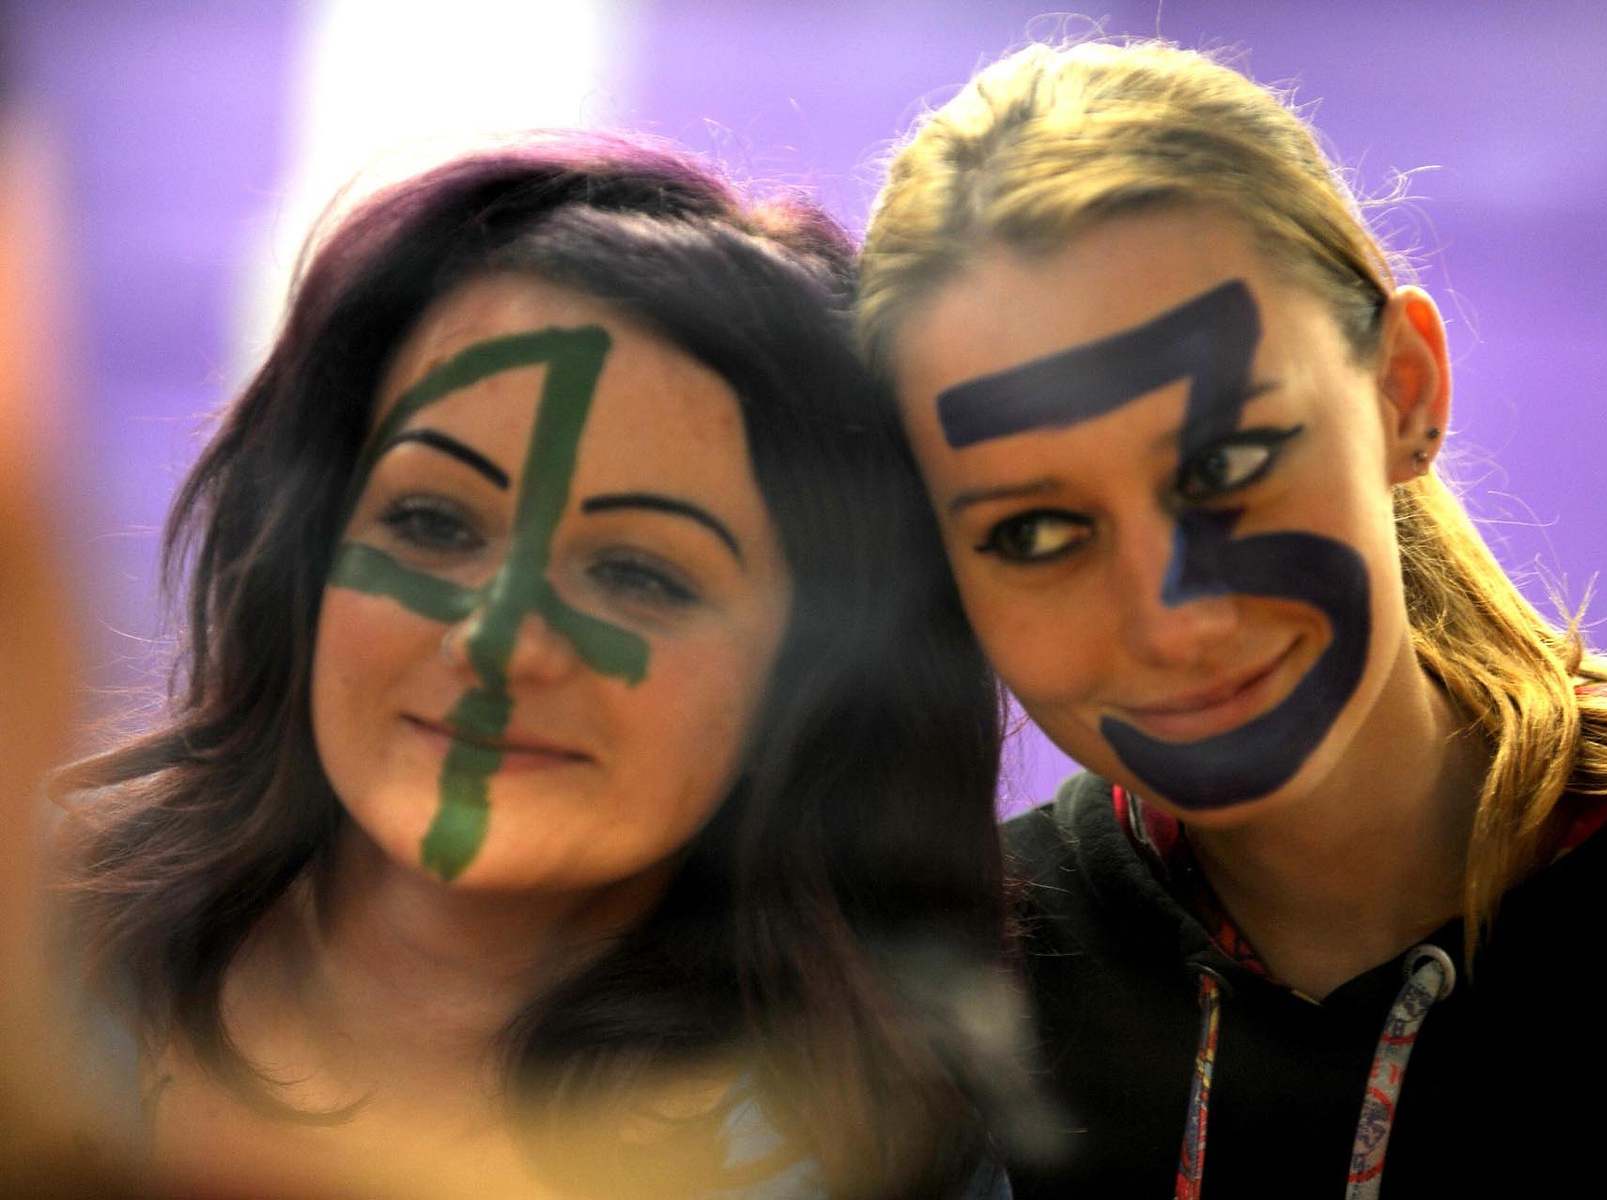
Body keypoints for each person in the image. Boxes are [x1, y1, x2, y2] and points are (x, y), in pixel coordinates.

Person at [857, 39, 1607, 1199]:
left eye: (1232, 461)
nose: (1173, 619)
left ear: (1405, 392)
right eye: (1036, 534)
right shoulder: (949, 986)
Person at [56, 133, 1016, 1199]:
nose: (499, 638)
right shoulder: (32, 957)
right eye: (430, 520)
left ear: (819, 680)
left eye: (640, 575)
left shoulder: (887, 1152)